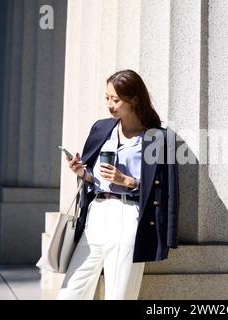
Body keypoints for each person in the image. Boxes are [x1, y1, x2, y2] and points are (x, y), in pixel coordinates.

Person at [57, 70, 179, 300]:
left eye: (116, 99)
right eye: (107, 98)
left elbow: (167, 190)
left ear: (134, 99)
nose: (110, 105)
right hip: (97, 214)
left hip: (129, 216)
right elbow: (97, 178)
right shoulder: (102, 128)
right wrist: (82, 172)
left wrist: (127, 181)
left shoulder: (157, 138)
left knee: (119, 295)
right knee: (70, 291)